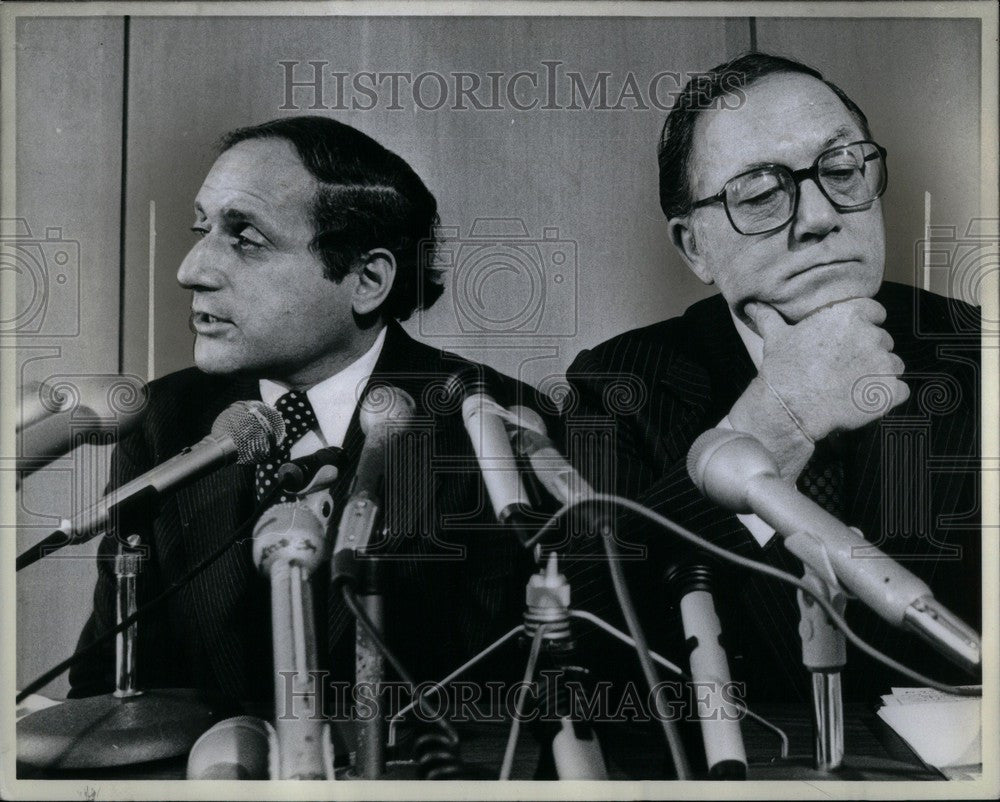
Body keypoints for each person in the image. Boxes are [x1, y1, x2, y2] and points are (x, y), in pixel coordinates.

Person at [68, 116, 544, 709]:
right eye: (202, 228)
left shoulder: (494, 426)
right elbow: (108, 687)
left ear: (366, 280)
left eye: (245, 238)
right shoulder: (168, 421)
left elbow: (517, 703)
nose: (191, 270)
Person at [563, 53, 981, 706]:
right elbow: (575, 643)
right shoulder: (619, 387)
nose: (819, 216)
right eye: (760, 194)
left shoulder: (978, 353)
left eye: (844, 169)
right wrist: (776, 422)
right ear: (694, 246)